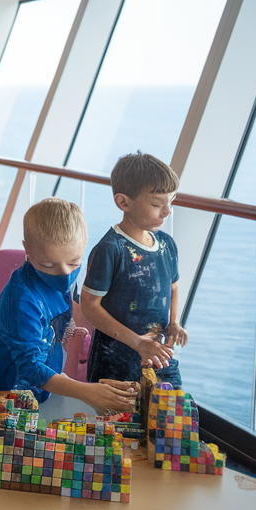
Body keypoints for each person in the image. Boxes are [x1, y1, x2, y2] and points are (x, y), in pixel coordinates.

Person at [0, 198, 137, 415]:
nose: (64, 274)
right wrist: (86, 391)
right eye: (48, 265)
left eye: (74, 262)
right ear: (28, 250)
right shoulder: (21, 299)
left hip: (35, 394)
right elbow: (30, 366)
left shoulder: (58, 277)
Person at [82, 152, 184, 386]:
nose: (167, 211)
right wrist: (137, 343)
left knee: (169, 416)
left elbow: (173, 286)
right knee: (117, 421)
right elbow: (89, 305)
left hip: (159, 358)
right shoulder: (110, 249)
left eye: (171, 201)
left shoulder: (167, 244)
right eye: (157, 204)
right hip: (115, 361)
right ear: (123, 202)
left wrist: (174, 323)